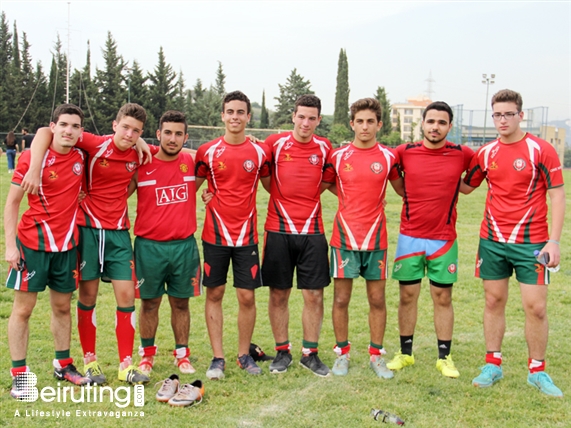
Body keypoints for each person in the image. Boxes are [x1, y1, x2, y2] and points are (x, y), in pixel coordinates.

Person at [22, 103, 154, 385]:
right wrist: (34, 166)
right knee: (87, 297)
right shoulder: (95, 144)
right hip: (88, 230)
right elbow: (47, 130)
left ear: (142, 134)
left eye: (137, 131)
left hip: (119, 234)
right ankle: (90, 361)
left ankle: (126, 365)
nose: (129, 135)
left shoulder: (139, 151)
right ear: (114, 125)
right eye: (126, 127)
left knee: (127, 297)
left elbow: (176, 151)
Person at [464, 89, 565, 397]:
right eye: (497, 114)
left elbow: (557, 194)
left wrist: (555, 241)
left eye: (509, 114)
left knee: (535, 307)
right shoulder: (486, 153)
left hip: (532, 242)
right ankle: (492, 364)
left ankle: (537, 371)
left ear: (521, 115)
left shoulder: (540, 149)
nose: (502, 120)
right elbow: (466, 187)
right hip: (492, 239)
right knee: (493, 301)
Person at [4, 104, 91, 399]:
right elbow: (12, 203)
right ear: (53, 126)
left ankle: (63, 364)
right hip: (32, 245)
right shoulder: (31, 158)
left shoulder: (81, 156)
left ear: (81, 131)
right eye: (63, 124)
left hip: (66, 246)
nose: (69, 130)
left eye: (75, 126)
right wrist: (10, 246)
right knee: (24, 309)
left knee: (63, 307)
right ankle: (19, 375)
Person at [385, 101, 474, 379]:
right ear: (422, 123)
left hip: (444, 239)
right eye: (431, 121)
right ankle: (405, 353)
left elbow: (481, 170)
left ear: (450, 126)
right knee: (407, 295)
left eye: (442, 122)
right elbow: (389, 172)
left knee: (442, 296)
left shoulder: (463, 154)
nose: (435, 127)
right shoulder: (404, 152)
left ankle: (444, 358)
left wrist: (461, 186)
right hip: (410, 238)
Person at [321, 98, 399, 378]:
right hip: (344, 239)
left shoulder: (389, 157)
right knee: (341, 299)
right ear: (352, 123)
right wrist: (349, 199)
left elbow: (403, 190)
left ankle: (376, 355)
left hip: (376, 239)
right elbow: (324, 184)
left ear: (379, 124)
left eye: (370, 121)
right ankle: (342, 353)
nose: (365, 127)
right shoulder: (338, 157)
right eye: (359, 121)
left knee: (377, 300)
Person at [195, 90, 270, 379]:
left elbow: (271, 186)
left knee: (247, 297)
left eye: (241, 112)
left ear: (248, 117)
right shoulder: (208, 151)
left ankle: (243, 355)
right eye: (230, 112)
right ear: (223, 115)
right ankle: (217, 358)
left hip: (247, 237)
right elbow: (191, 186)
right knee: (214, 293)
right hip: (214, 235)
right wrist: (205, 194)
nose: (235, 117)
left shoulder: (261, 152)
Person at [261, 95, 332, 377]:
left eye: (312, 118)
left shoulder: (325, 148)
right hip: (278, 229)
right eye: (301, 116)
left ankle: (310, 354)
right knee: (279, 293)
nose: (306, 123)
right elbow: (265, 179)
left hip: (312, 232)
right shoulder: (274, 144)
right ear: (293, 116)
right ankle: (282, 351)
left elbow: (328, 182)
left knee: (314, 294)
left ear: (318, 120)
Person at [130, 111, 201, 378]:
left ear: (186, 137)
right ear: (158, 134)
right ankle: (147, 355)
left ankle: (182, 355)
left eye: (178, 133)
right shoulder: (141, 163)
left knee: (181, 304)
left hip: (184, 246)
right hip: (149, 247)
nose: (173, 139)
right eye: (167, 133)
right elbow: (116, 193)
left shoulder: (192, 162)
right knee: (150, 303)